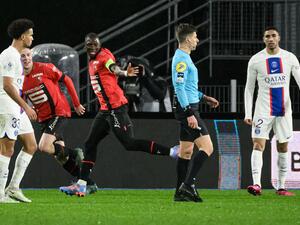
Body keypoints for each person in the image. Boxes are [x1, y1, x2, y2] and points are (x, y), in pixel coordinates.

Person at [59, 32, 179, 197]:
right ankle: (82, 184)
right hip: (105, 110)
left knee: (129, 143)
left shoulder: (104, 55)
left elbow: (112, 67)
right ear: (85, 45)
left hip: (116, 108)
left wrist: (123, 73)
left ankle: (172, 152)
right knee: (90, 144)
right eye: (89, 44)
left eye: (95, 44)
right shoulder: (91, 60)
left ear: (99, 45)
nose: (92, 47)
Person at [244, 26, 300, 196]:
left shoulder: (289, 58)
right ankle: (256, 185)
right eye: (267, 36)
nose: (270, 38)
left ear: (279, 38)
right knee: (257, 144)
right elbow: (249, 89)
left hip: (283, 110)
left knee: (283, 147)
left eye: (273, 35)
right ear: (263, 39)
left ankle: (281, 187)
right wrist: (248, 112)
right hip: (262, 110)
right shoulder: (255, 60)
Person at [21, 48, 86, 182]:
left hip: (58, 112)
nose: (26, 58)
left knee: (43, 147)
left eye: (28, 55)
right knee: (60, 156)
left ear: (31, 57)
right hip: (44, 118)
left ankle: (75, 153)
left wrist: (76, 103)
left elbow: (67, 80)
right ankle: (84, 181)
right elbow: (26, 99)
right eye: (23, 56)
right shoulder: (20, 79)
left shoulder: (45, 68)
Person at [171, 23, 219, 202]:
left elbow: (188, 87)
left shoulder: (184, 57)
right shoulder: (181, 59)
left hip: (188, 106)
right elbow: (179, 86)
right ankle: (188, 185)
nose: (197, 40)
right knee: (208, 147)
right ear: (188, 38)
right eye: (196, 36)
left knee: (186, 152)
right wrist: (190, 113)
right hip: (187, 110)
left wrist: (204, 97)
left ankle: (179, 192)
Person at [0, 18, 37, 203]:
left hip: (16, 107)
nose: (32, 37)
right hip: (7, 106)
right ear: (23, 36)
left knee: (31, 144)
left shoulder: (17, 55)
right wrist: (25, 105)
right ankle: (0, 195)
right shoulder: (9, 55)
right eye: (30, 34)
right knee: (7, 148)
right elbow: (7, 86)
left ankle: (13, 188)